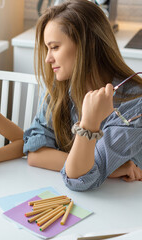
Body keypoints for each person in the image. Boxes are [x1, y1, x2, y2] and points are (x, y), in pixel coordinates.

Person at [23, 0, 142, 191]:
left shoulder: (134, 101)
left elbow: (80, 179)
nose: (48, 58)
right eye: (47, 48)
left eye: (54, 47)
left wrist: (89, 123)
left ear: (86, 47)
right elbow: (36, 154)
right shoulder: (59, 88)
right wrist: (103, 168)